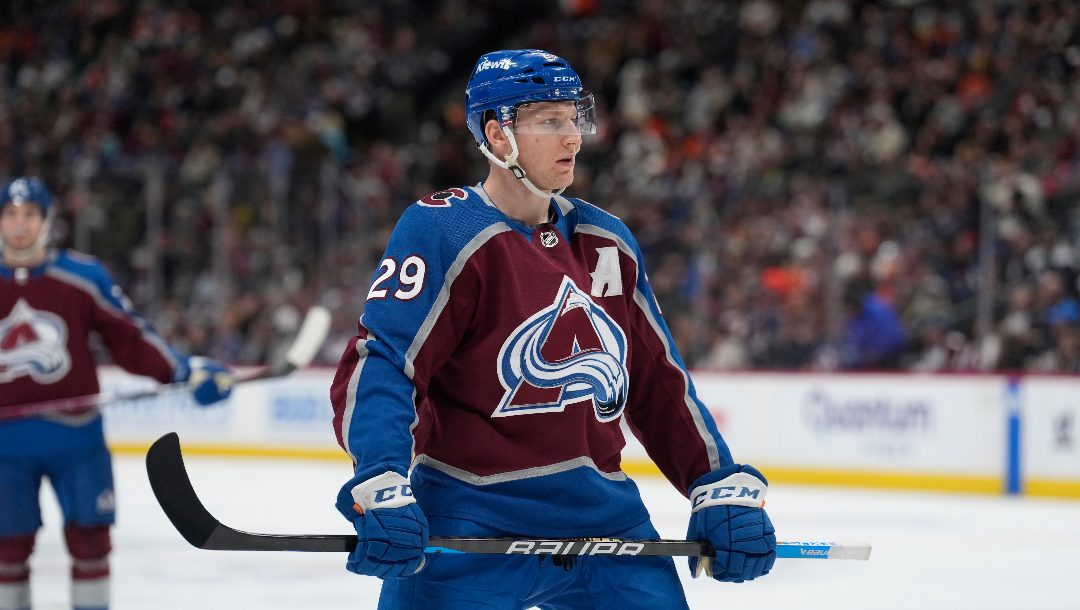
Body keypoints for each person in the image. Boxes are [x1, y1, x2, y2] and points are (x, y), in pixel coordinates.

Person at [330, 49, 776, 609]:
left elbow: (658, 380)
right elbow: (385, 361)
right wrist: (381, 478)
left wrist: (714, 482)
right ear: (498, 135)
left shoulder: (605, 240)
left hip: (604, 523)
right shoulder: (446, 230)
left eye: (573, 118)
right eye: (549, 121)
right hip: (470, 520)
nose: (573, 138)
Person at [0, 177, 234, 610]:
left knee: (91, 542)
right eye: (10, 214)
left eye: (29, 214)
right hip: (5, 445)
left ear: (46, 221)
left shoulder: (82, 276)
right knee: (6, 550)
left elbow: (130, 337)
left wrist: (182, 370)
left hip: (76, 437)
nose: (19, 224)